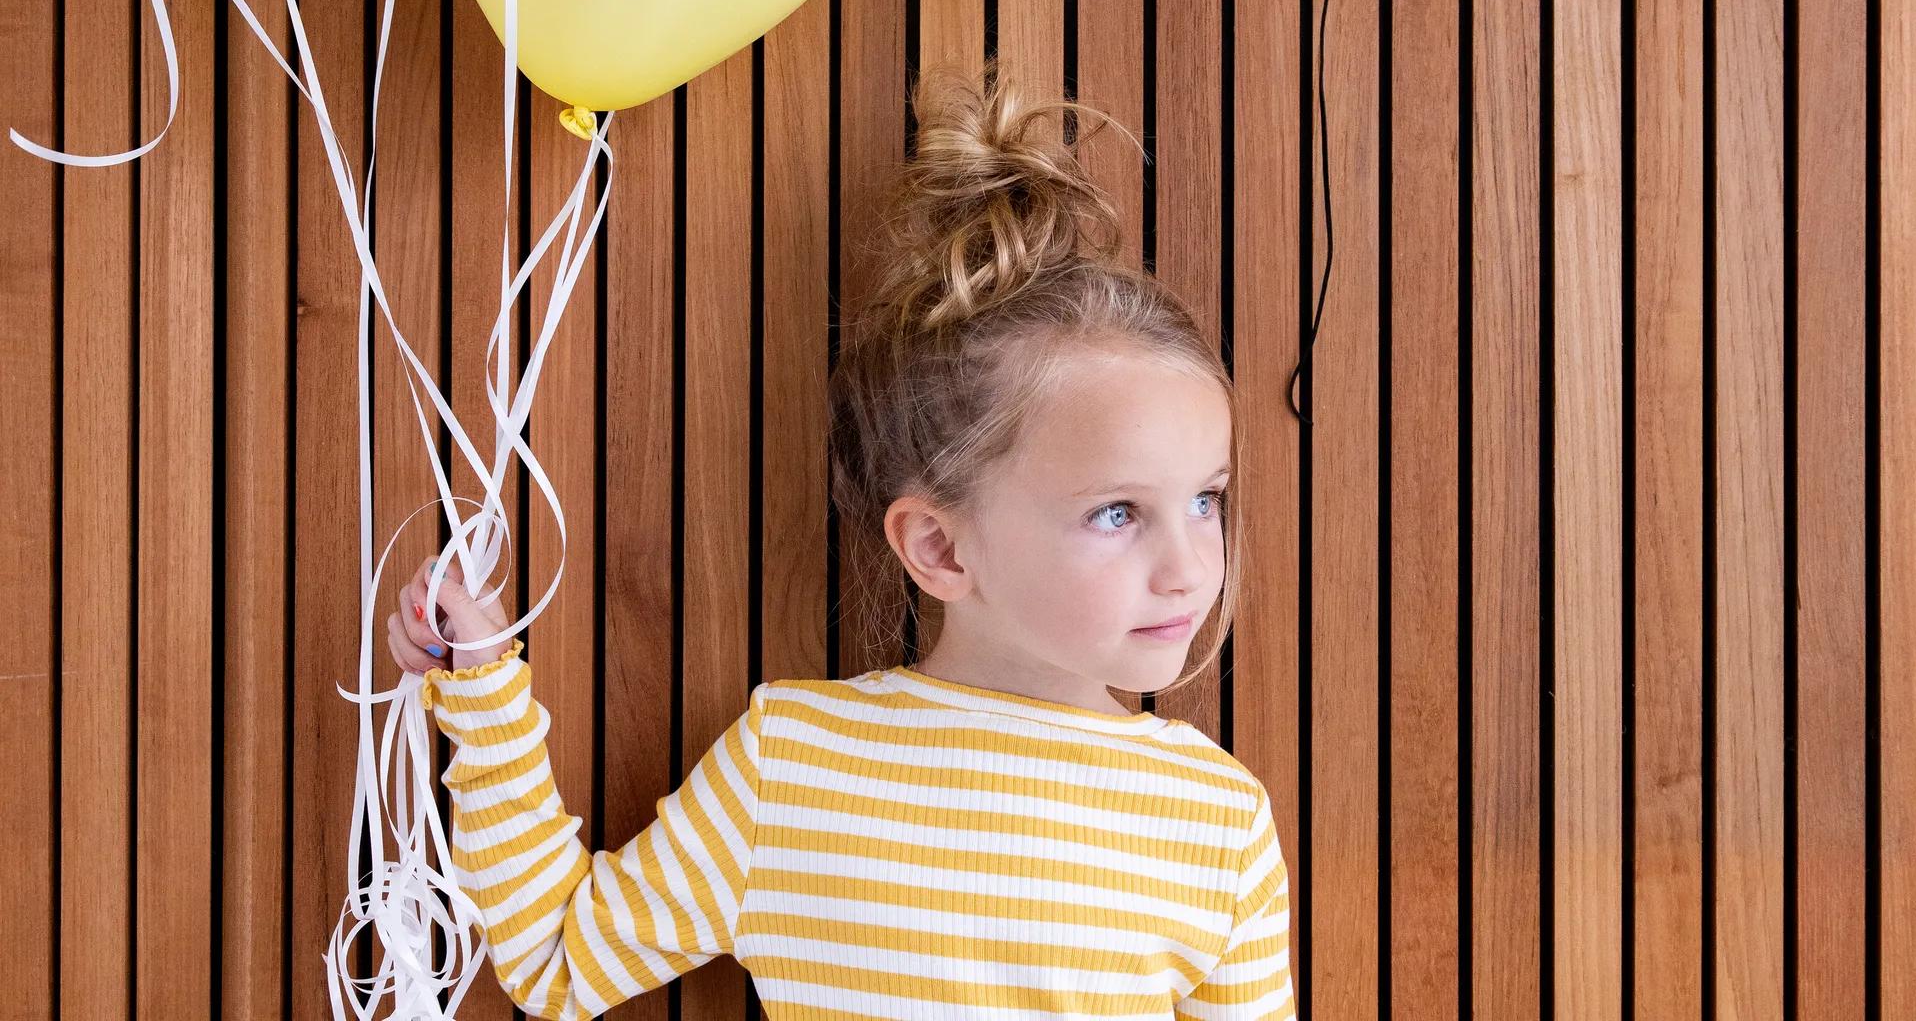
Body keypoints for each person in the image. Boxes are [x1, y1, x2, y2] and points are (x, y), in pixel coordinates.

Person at [388, 67, 1295, 1020]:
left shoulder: (1219, 825)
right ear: (940, 549)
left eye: (1206, 500)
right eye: (1118, 513)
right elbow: (557, 963)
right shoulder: (789, 764)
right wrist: (485, 699)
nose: (1191, 568)